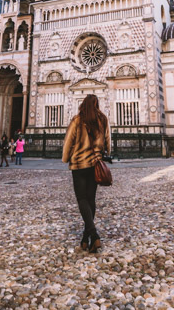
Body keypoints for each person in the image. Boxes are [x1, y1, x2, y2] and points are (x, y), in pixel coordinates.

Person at [62, 94, 111, 253]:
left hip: (79, 164)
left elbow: (68, 141)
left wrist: (65, 158)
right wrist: (106, 153)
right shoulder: (103, 120)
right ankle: (86, 238)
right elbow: (108, 140)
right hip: (95, 163)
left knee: (82, 199)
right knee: (90, 200)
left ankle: (94, 235)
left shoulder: (77, 119)